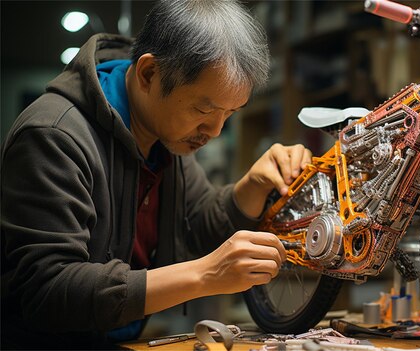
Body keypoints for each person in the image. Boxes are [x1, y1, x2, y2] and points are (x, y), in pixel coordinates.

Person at [0, 1, 311, 349]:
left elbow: (200, 226)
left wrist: (253, 185)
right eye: (203, 109)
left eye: (231, 113)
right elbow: (48, 291)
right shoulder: (54, 136)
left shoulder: (164, 136)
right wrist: (205, 274)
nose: (215, 130)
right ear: (149, 74)